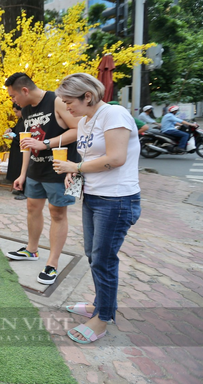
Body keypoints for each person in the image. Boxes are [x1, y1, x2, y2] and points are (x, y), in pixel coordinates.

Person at [52, 73, 141, 344]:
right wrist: (76, 173)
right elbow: (92, 156)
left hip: (116, 199)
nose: (67, 108)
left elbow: (115, 157)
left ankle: (103, 318)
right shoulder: (86, 120)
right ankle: (100, 304)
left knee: (103, 259)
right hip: (94, 196)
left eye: (69, 102)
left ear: (87, 96)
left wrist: (75, 167)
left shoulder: (114, 114)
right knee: (94, 254)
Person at [4, 73, 80, 285]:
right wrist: (22, 173)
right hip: (36, 170)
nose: (13, 101)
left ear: (25, 91)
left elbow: (78, 129)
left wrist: (46, 144)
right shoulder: (27, 110)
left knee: (57, 213)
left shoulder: (56, 101)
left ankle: (52, 263)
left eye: (13, 96)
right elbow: (28, 142)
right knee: (32, 208)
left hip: (61, 168)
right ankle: (31, 250)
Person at [5, 103, 26, 200]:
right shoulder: (20, 120)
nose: (16, 114)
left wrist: (14, 138)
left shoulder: (27, 120)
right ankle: (19, 188)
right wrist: (11, 130)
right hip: (16, 148)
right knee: (16, 168)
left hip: (23, 149)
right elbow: (17, 130)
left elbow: (24, 136)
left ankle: (24, 190)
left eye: (16, 112)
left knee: (22, 167)